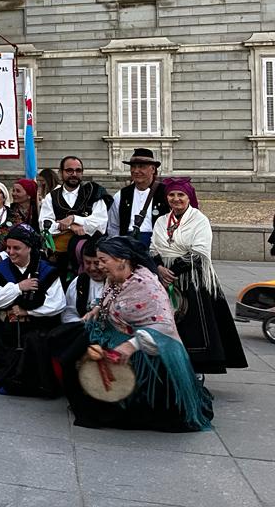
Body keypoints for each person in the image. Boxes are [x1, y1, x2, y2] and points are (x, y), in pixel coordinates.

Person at [56, 236, 213, 432]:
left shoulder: (145, 285)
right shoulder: (117, 276)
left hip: (150, 349)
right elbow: (110, 297)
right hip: (117, 333)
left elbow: (163, 326)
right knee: (65, 341)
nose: (100, 265)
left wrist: (130, 346)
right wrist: (97, 309)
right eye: (98, 260)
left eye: (104, 260)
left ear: (122, 259)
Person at [152, 178, 247, 375]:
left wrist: (173, 270)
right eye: (171, 195)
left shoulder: (199, 220)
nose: (176, 199)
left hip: (193, 280)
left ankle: (198, 369)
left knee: (194, 327)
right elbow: (153, 248)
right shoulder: (162, 220)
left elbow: (200, 252)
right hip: (165, 279)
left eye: (181, 195)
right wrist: (160, 268)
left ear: (189, 197)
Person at [0, 224, 65, 396]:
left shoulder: (46, 270)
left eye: (17, 248)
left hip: (36, 327)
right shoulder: (0, 269)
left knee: (34, 341)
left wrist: (28, 312)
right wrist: (18, 288)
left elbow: (57, 303)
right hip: (8, 329)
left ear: (29, 248)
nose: (11, 252)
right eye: (8, 247)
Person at [39, 156, 109, 280]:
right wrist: (72, 227)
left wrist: (74, 219)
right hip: (58, 257)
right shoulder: (52, 196)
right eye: (69, 170)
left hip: (88, 259)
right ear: (61, 173)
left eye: (78, 171)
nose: (74, 174)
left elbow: (100, 223)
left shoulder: (94, 193)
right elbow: (45, 226)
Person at [107, 148, 169, 246]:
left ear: (153, 169)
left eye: (141, 167)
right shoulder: (121, 195)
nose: (136, 171)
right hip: (128, 245)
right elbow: (113, 226)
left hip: (159, 245)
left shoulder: (166, 193)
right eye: (133, 167)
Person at [61, 237, 106, 324]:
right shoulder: (79, 282)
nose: (92, 268)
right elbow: (68, 313)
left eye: (97, 263)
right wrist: (83, 324)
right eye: (88, 263)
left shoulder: (118, 283)